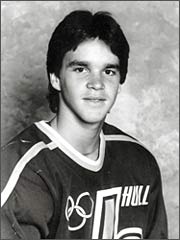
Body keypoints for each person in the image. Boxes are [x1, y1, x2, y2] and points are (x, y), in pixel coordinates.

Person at [1, 10, 168, 239]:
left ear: (119, 82)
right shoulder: (24, 171)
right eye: (81, 69)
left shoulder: (140, 162)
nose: (97, 83)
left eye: (109, 71)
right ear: (55, 77)